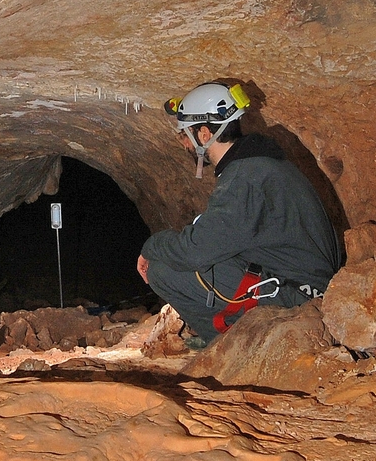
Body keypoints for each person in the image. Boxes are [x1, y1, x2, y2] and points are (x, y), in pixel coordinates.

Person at [136, 81, 341, 347]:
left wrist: (152, 246)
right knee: (186, 257)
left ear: (205, 134)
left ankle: (223, 347)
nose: (183, 143)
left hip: (297, 294)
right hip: (305, 282)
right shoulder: (260, 164)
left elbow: (196, 251)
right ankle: (230, 338)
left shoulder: (244, 178)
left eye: (185, 135)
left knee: (162, 270)